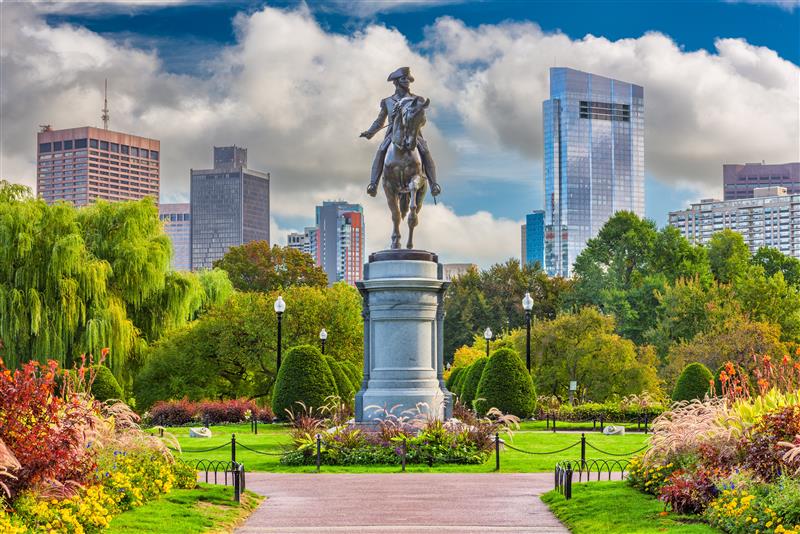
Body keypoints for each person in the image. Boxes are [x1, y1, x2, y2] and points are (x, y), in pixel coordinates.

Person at [360, 67, 441, 198]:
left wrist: (415, 121)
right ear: (396, 82)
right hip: (393, 134)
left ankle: (434, 184)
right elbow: (380, 121)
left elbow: (423, 120)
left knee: (425, 151)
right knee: (381, 151)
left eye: (408, 79)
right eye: (404, 79)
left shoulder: (417, 99)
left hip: (413, 134)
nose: (407, 82)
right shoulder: (387, 101)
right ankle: (373, 184)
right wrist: (370, 132)